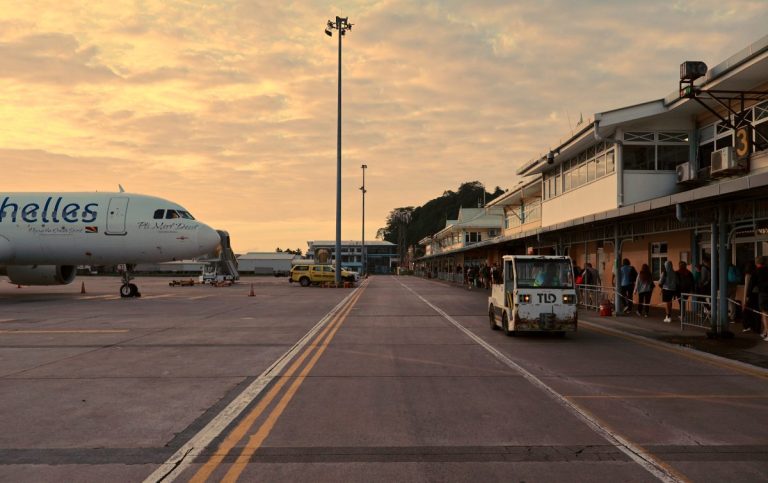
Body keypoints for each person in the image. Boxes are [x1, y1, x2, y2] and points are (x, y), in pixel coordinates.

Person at [741, 259, 759, 333]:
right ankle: (756, 327)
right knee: (756, 311)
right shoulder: (756, 273)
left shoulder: (747, 275)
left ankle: (747, 326)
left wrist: (744, 298)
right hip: (757, 294)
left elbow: (746, 287)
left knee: (746, 311)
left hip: (750, 295)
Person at [754, 256, 768, 341]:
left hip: (763, 294)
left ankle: (767, 332)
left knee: (764, 313)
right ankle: (765, 331)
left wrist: (747, 295)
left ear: (757, 262)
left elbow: (752, 283)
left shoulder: (757, 271)